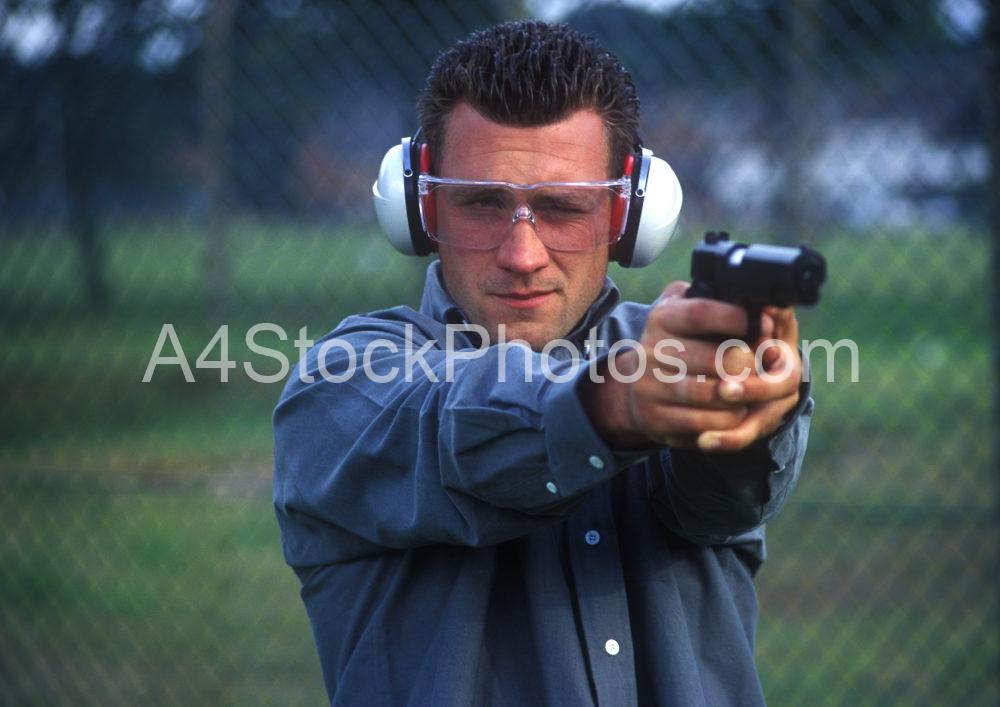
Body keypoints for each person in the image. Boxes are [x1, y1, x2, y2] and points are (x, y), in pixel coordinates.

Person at [274, 20, 812, 706]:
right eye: (480, 203)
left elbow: (725, 497)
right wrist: (616, 404)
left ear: (628, 215)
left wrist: (753, 406)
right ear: (420, 206)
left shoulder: (681, 352)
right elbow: (446, 427)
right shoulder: (339, 383)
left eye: (562, 209)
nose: (522, 255)